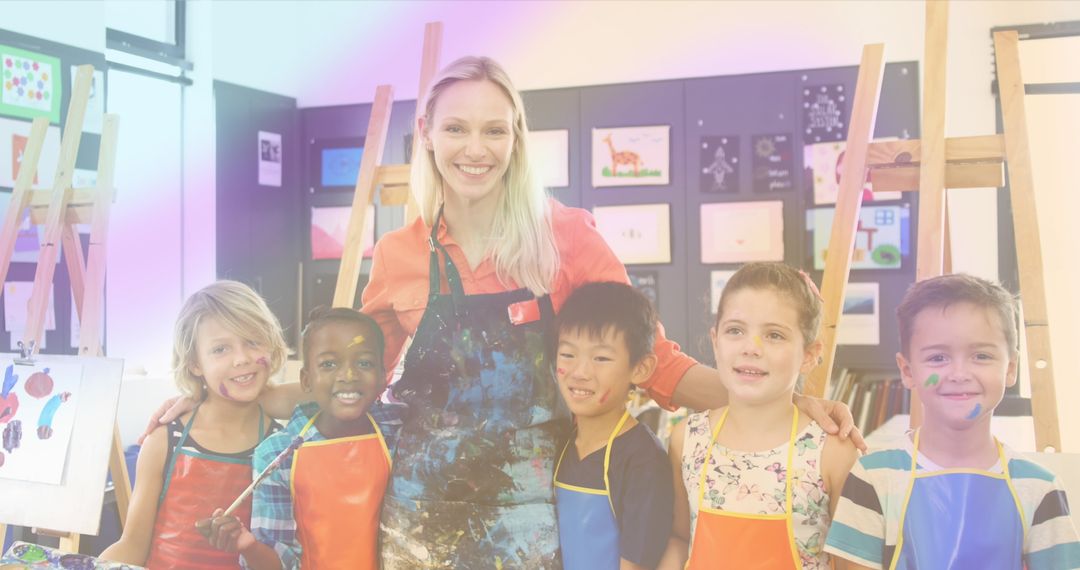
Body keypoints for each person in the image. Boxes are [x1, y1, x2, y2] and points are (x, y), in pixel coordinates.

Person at [148, 56, 861, 569]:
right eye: (457, 129)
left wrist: (786, 403)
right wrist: (214, 396)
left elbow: (654, 364)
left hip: (533, 510)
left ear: (517, 136)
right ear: (427, 132)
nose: (475, 149)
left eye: (495, 130)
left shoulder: (567, 238)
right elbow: (349, 380)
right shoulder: (399, 254)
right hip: (418, 515)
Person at [824, 274, 1080, 570]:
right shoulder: (873, 478)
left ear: (1010, 368)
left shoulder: (1040, 487)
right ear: (908, 371)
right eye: (938, 358)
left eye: (981, 355)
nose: (959, 374)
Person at [663, 263, 859, 569]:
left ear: (809, 355)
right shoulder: (686, 440)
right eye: (735, 331)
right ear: (716, 341)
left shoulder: (833, 452)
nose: (751, 348)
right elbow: (679, 538)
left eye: (774, 335)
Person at [102, 281, 286, 568]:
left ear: (271, 346)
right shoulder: (163, 440)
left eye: (253, 341)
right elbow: (132, 545)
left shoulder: (284, 449)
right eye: (220, 349)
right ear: (194, 363)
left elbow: (285, 560)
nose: (241, 359)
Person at [205, 308, 403, 570]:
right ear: (306, 380)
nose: (348, 375)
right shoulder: (277, 454)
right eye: (328, 364)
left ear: (382, 376)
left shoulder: (402, 431)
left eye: (364, 363)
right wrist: (248, 546)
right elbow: (279, 562)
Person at [552, 282, 674, 570]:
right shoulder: (558, 442)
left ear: (640, 368)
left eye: (601, 358)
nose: (580, 372)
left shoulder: (643, 460)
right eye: (568, 354)